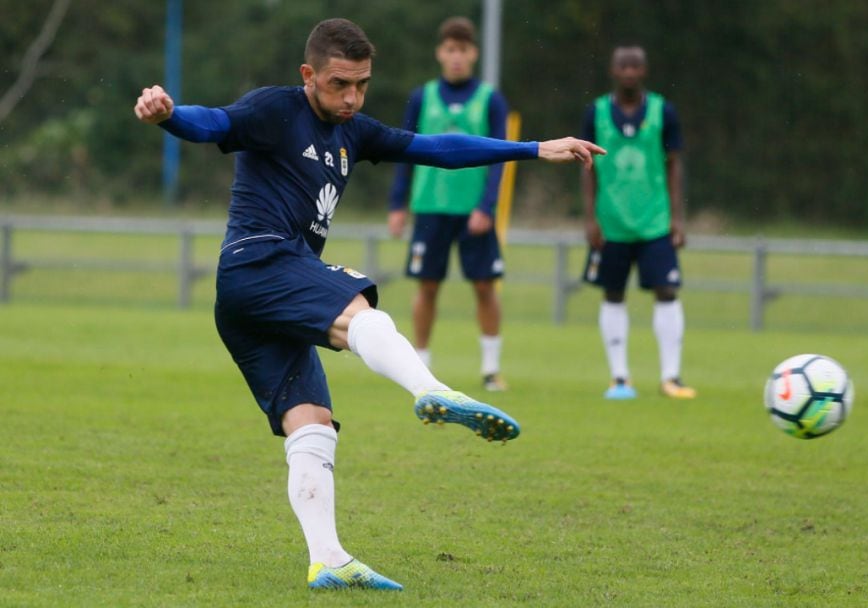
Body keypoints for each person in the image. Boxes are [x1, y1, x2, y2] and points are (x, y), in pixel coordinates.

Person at [133, 18, 603, 592]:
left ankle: (327, 558)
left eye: (362, 84)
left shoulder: (354, 131)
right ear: (309, 76)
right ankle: (431, 389)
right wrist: (170, 115)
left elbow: (437, 149)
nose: (352, 97)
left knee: (312, 425)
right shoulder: (276, 109)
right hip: (261, 263)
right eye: (339, 84)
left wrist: (533, 148)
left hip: (251, 301)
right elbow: (215, 123)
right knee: (364, 311)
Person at [387, 17, 511, 391]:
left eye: (463, 50)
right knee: (426, 286)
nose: (457, 57)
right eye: (450, 50)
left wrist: (486, 207)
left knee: (485, 287)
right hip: (430, 208)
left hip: (473, 211)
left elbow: (500, 156)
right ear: (441, 53)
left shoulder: (490, 99)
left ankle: (491, 369)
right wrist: (398, 204)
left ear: (473, 53)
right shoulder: (422, 97)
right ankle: (421, 366)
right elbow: (403, 149)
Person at [580, 45, 696, 401]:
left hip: (654, 222)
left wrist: (677, 217)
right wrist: (589, 217)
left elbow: (674, 164)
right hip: (611, 222)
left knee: (667, 291)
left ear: (644, 71)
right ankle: (619, 378)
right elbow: (585, 167)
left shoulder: (664, 111)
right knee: (613, 293)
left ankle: (670, 377)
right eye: (623, 66)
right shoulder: (596, 112)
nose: (629, 72)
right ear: (613, 71)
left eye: (635, 66)